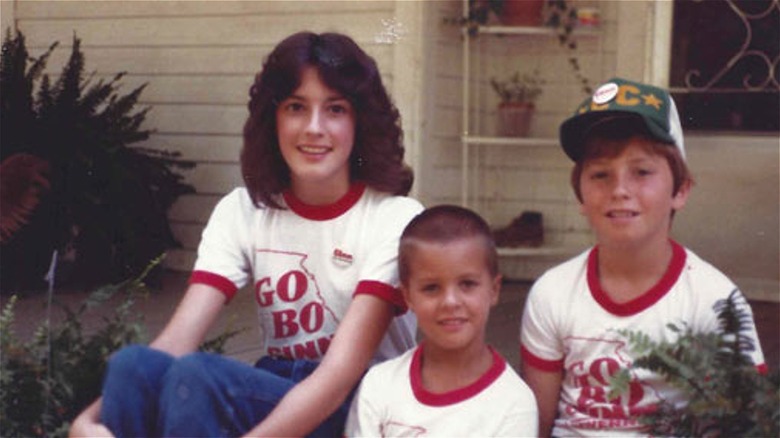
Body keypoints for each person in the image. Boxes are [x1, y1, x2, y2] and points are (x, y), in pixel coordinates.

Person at [69, 31, 424, 437]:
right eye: (295, 107)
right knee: (133, 366)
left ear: (359, 121)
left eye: (335, 109)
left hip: (360, 403)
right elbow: (176, 341)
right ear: (272, 118)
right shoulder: (243, 211)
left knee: (199, 377)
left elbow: (338, 377)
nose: (314, 128)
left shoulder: (393, 217)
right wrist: (88, 420)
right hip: (278, 387)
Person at [519, 77, 767, 437]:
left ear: (680, 190)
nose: (619, 190)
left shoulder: (714, 300)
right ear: (579, 197)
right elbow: (536, 425)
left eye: (642, 172)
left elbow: (747, 421)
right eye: (601, 174)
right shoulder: (553, 293)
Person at [345, 205, 539, 437]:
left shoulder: (514, 404)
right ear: (407, 297)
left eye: (467, 284)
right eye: (431, 288)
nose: (450, 302)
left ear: (494, 290)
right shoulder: (379, 386)